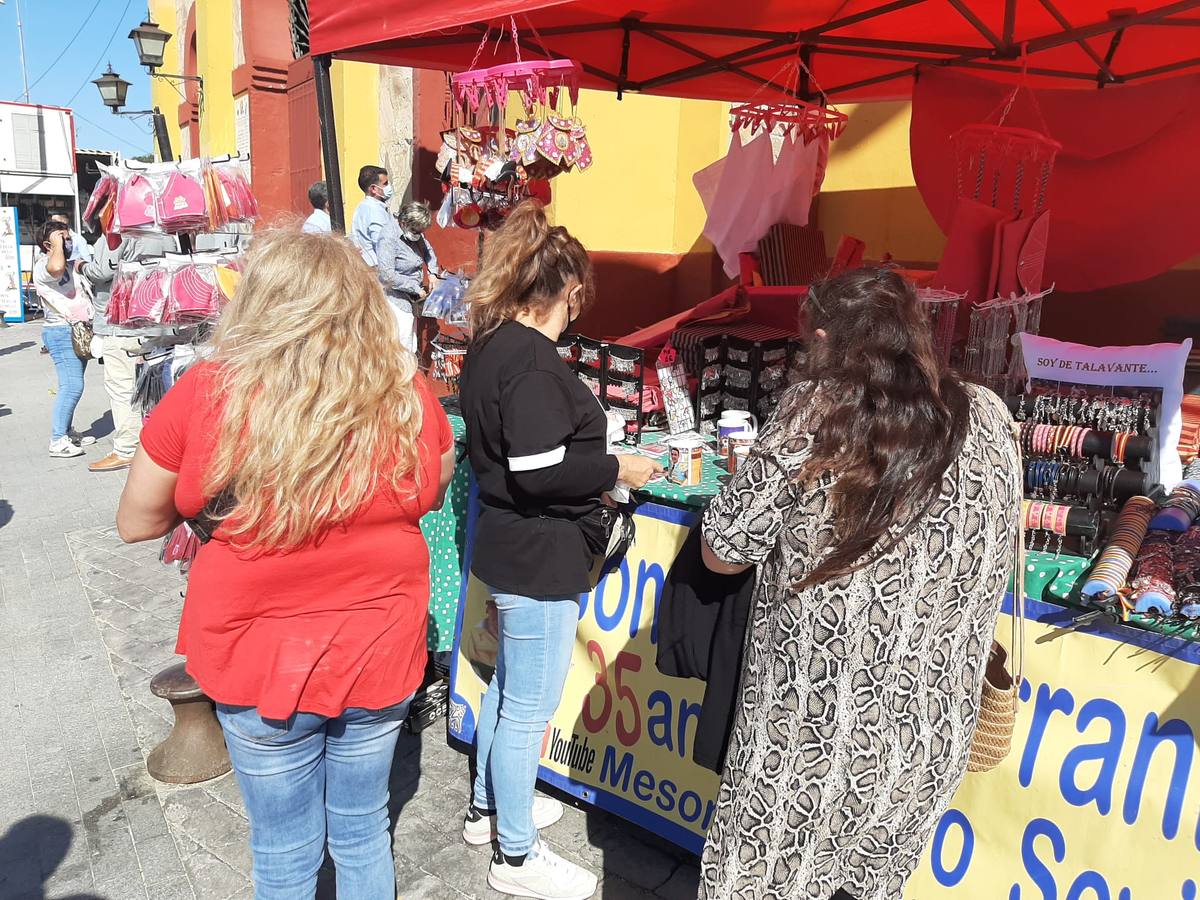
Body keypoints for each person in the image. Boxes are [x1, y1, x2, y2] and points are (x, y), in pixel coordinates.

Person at [115, 228, 456, 899]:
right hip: (377, 649)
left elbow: (136, 522)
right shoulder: (403, 391)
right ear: (359, 303)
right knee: (363, 832)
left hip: (255, 655)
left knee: (283, 851)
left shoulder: (209, 390)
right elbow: (433, 482)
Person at [697, 268, 1021, 900]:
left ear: (822, 337)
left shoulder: (818, 412)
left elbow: (724, 550)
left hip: (811, 738)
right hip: (927, 736)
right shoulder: (990, 416)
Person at [459, 202, 662, 900]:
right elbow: (540, 471)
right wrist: (618, 472)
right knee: (526, 706)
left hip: (509, 546)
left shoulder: (491, 346)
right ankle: (515, 856)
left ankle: (488, 811)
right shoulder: (534, 363)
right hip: (537, 556)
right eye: (580, 295)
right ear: (567, 290)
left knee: (507, 689)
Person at [81, 230, 178, 472]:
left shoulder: (116, 232)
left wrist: (82, 267)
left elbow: (102, 271)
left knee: (122, 388)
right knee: (155, 387)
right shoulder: (164, 230)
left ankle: (126, 448)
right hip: (157, 317)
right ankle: (161, 444)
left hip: (122, 321)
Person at [31, 220, 92, 458]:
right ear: (48, 244)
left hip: (77, 331)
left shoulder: (67, 264)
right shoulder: (43, 265)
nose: (68, 242)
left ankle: (66, 431)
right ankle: (57, 440)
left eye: (68, 238)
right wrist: (55, 245)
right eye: (62, 239)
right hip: (60, 332)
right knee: (72, 385)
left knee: (73, 384)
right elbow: (55, 267)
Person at [379, 200, 443, 368]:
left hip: (412, 298)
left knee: (410, 343)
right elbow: (387, 275)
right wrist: (414, 287)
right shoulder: (389, 237)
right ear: (404, 222)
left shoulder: (415, 233)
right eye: (416, 230)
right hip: (395, 298)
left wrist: (433, 273)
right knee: (402, 345)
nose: (419, 234)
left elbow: (429, 252)